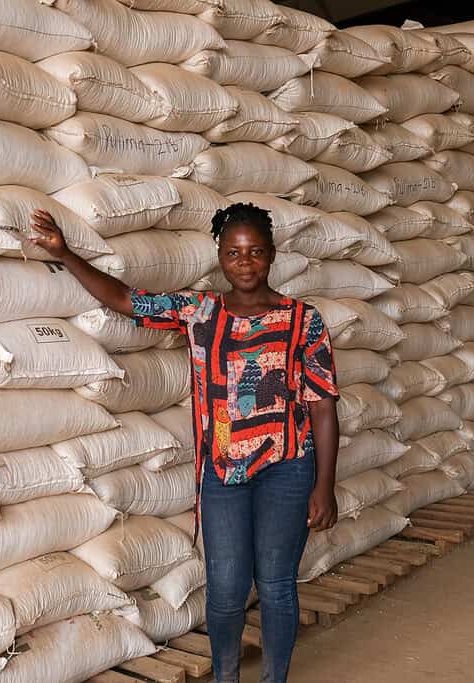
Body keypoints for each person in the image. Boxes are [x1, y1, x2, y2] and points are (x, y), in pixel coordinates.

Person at [29, 202, 340, 683]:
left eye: (256, 251)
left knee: (277, 585)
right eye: (234, 252)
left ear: (272, 255)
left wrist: (324, 485)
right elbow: (126, 300)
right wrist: (65, 254)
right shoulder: (199, 311)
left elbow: (323, 404)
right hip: (221, 471)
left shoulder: (303, 319)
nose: (245, 262)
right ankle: (226, 676)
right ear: (219, 256)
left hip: (288, 467)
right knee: (224, 591)